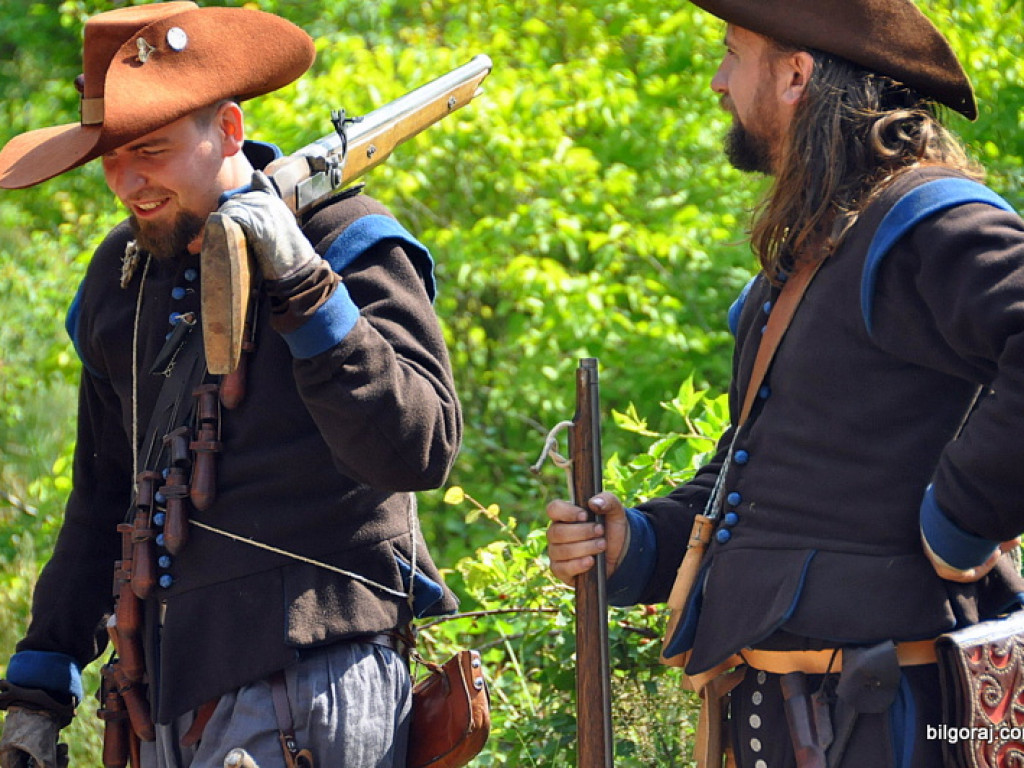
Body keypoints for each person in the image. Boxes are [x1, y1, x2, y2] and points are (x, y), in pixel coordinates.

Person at [546, 1, 1024, 766]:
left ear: (796, 74)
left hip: (893, 716)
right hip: (790, 716)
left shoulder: (928, 220)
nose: (718, 80)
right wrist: (632, 543)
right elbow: (761, 472)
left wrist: (962, 521)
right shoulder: (820, 247)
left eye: (733, 54)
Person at [0, 3, 462, 767]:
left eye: (150, 149)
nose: (127, 181)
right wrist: (40, 683)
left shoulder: (344, 238)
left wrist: (306, 287)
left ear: (229, 128)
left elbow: (419, 450)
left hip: (318, 676)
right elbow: (104, 495)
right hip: (162, 700)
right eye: (110, 156)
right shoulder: (121, 277)